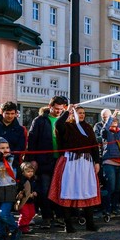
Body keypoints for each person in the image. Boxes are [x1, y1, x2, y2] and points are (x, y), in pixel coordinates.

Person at [47, 105, 101, 233]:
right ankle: (68, 225)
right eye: (79, 113)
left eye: (83, 113)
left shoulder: (88, 128)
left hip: (86, 163)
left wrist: (97, 162)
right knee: (68, 190)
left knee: (88, 191)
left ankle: (90, 223)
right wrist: (67, 112)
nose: (81, 115)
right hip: (70, 163)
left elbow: (94, 146)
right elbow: (58, 124)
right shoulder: (66, 126)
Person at [24, 96, 68, 230]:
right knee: (44, 190)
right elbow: (32, 140)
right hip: (44, 161)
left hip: (61, 160)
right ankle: (47, 217)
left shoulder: (65, 120)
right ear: (50, 107)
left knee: (60, 189)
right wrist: (32, 159)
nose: (58, 111)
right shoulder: (39, 121)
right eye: (56, 108)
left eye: (61, 109)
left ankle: (60, 216)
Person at [99, 112, 120, 217]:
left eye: (116, 120)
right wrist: (111, 117)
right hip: (109, 162)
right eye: (113, 120)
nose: (114, 121)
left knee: (117, 188)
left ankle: (115, 208)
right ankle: (107, 209)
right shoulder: (106, 132)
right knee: (110, 187)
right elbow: (104, 129)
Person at [16, 161, 38, 234]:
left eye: (32, 171)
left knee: (32, 213)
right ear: (23, 172)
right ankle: (21, 226)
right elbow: (20, 190)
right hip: (23, 201)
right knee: (25, 214)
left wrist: (35, 192)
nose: (30, 173)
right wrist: (27, 194)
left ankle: (26, 225)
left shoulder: (33, 179)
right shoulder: (22, 181)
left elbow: (35, 187)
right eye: (28, 171)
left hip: (30, 201)